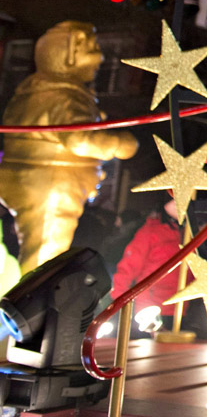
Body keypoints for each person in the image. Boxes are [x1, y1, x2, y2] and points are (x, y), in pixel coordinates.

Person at [0, 22, 138, 272]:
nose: (99, 58)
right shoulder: (62, 96)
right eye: (92, 48)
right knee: (44, 252)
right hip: (51, 186)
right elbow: (77, 139)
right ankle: (32, 304)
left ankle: (34, 299)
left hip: (42, 181)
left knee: (43, 250)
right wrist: (118, 144)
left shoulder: (41, 91)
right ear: (69, 55)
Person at [111, 195, 184, 322]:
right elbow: (128, 266)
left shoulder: (188, 234)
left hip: (181, 307)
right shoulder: (150, 231)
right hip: (150, 308)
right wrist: (118, 301)